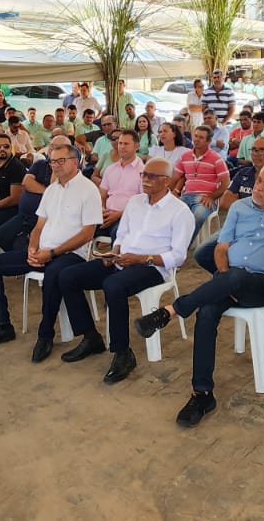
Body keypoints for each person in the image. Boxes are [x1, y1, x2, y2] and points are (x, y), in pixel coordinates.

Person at [135, 159, 264, 426]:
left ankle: (172, 311)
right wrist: (226, 279)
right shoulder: (239, 207)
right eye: (259, 180)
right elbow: (220, 249)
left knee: (233, 278)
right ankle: (202, 393)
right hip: (231, 279)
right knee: (207, 311)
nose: (258, 187)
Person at [50, 157, 193, 384]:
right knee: (68, 276)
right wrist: (114, 253)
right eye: (143, 175)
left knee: (113, 285)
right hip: (122, 260)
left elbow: (178, 256)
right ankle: (90, 336)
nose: (145, 180)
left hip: (152, 267)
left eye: (152, 176)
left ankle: (122, 352)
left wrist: (142, 258)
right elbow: (122, 235)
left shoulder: (180, 211)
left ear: (167, 181)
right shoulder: (135, 202)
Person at [0, 142, 103, 358]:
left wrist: (52, 253)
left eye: (61, 161)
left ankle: (45, 335)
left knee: (55, 272)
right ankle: (1, 326)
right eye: (53, 161)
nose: (56, 165)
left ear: (75, 161)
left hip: (71, 255)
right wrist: (33, 248)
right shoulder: (51, 190)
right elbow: (39, 226)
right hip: (43, 251)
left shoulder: (88, 190)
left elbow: (87, 234)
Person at [176, 125, 230, 240]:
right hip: (186, 197)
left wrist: (211, 197)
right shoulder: (185, 156)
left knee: (198, 216)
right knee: (171, 213)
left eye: (201, 137)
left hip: (205, 198)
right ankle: (173, 244)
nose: (196, 139)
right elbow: (176, 177)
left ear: (209, 141)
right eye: (195, 136)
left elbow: (225, 183)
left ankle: (183, 245)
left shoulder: (216, 158)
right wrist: (171, 192)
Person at [96, 130, 144, 238]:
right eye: (120, 143)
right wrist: (102, 209)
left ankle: (116, 255)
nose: (122, 147)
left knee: (118, 232)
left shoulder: (143, 172)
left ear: (137, 146)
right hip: (106, 215)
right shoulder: (110, 169)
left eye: (126, 144)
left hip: (127, 217)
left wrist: (118, 215)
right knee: (82, 228)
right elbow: (102, 196)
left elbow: (143, 203)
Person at [222, 136, 264, 210]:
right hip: (241, 219)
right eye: (254, 150)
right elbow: (225, 202)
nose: (256, 154)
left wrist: (239, 202)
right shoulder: (243, 173)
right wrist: (255, 207)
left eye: (262, 150)